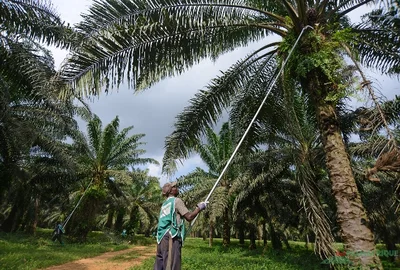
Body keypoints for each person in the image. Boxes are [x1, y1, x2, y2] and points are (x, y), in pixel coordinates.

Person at [154, 181, 207, 270]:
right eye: (175, 187)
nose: (177, 188)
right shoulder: (176, 201)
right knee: (171, 265)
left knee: (160, 265)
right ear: (171, 191)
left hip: (161, 238)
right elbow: (189, 217)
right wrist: (199, 208)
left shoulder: (164, 204)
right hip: (171, 237)